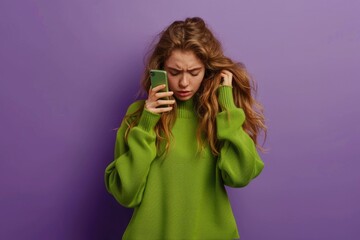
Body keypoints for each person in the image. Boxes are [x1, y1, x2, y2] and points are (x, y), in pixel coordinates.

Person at [105, 17, 267, 240]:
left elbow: (239, 176)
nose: (184, 83)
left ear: (207, 70)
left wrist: (227, 107)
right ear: (160, 68)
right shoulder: (139, 115)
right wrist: (147, 122)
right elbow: (126, 193)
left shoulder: (217, 116)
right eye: (174, 72)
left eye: (193, 72)